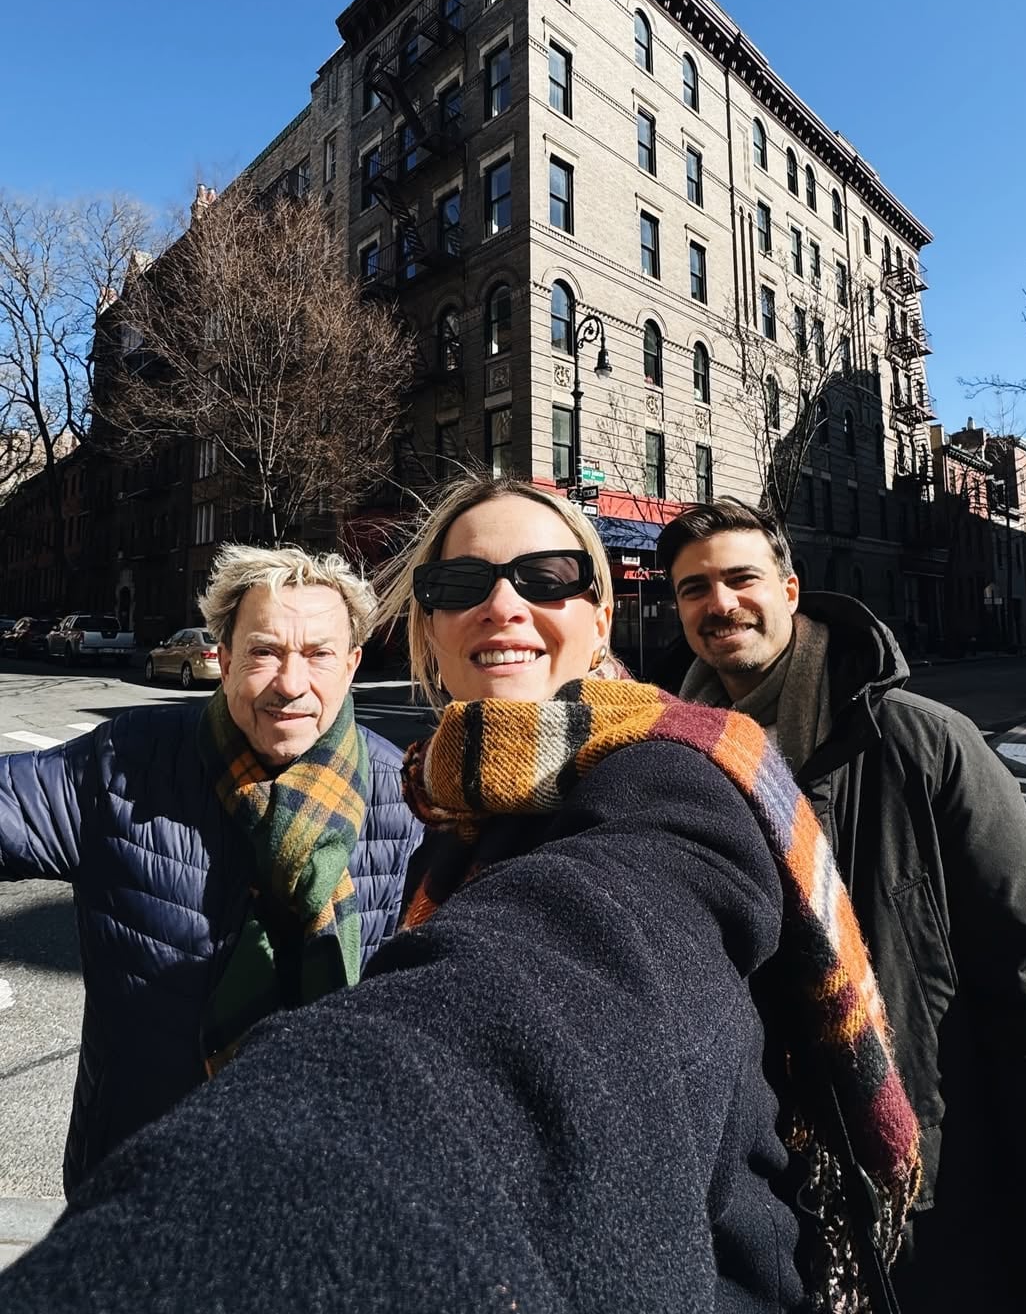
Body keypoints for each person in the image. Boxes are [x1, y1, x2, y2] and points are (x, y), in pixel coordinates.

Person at [0, 478, 918, 1313]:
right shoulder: (444, 805)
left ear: (601, 619)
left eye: (547, 576)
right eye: (459, 586)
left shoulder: (674, 780)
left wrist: (261, 1196)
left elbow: (519, 1003)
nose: (504, 603)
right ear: (429, 637)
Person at [656, 496, 1026, 1313]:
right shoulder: (676, 763)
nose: (719, 604)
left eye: (741, 579)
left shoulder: (922, 743)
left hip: (934, 1201)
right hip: (769, 1209)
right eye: (693, 589)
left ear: (790, 588)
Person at [0, 543, 422, 1192]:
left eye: (317, 654)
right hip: (138, 1178)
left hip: (328, 1180)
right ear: (223, 660)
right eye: (263, 652)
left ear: (351, 665)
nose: (291, 682)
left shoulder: (403, 794)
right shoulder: (124, 764)